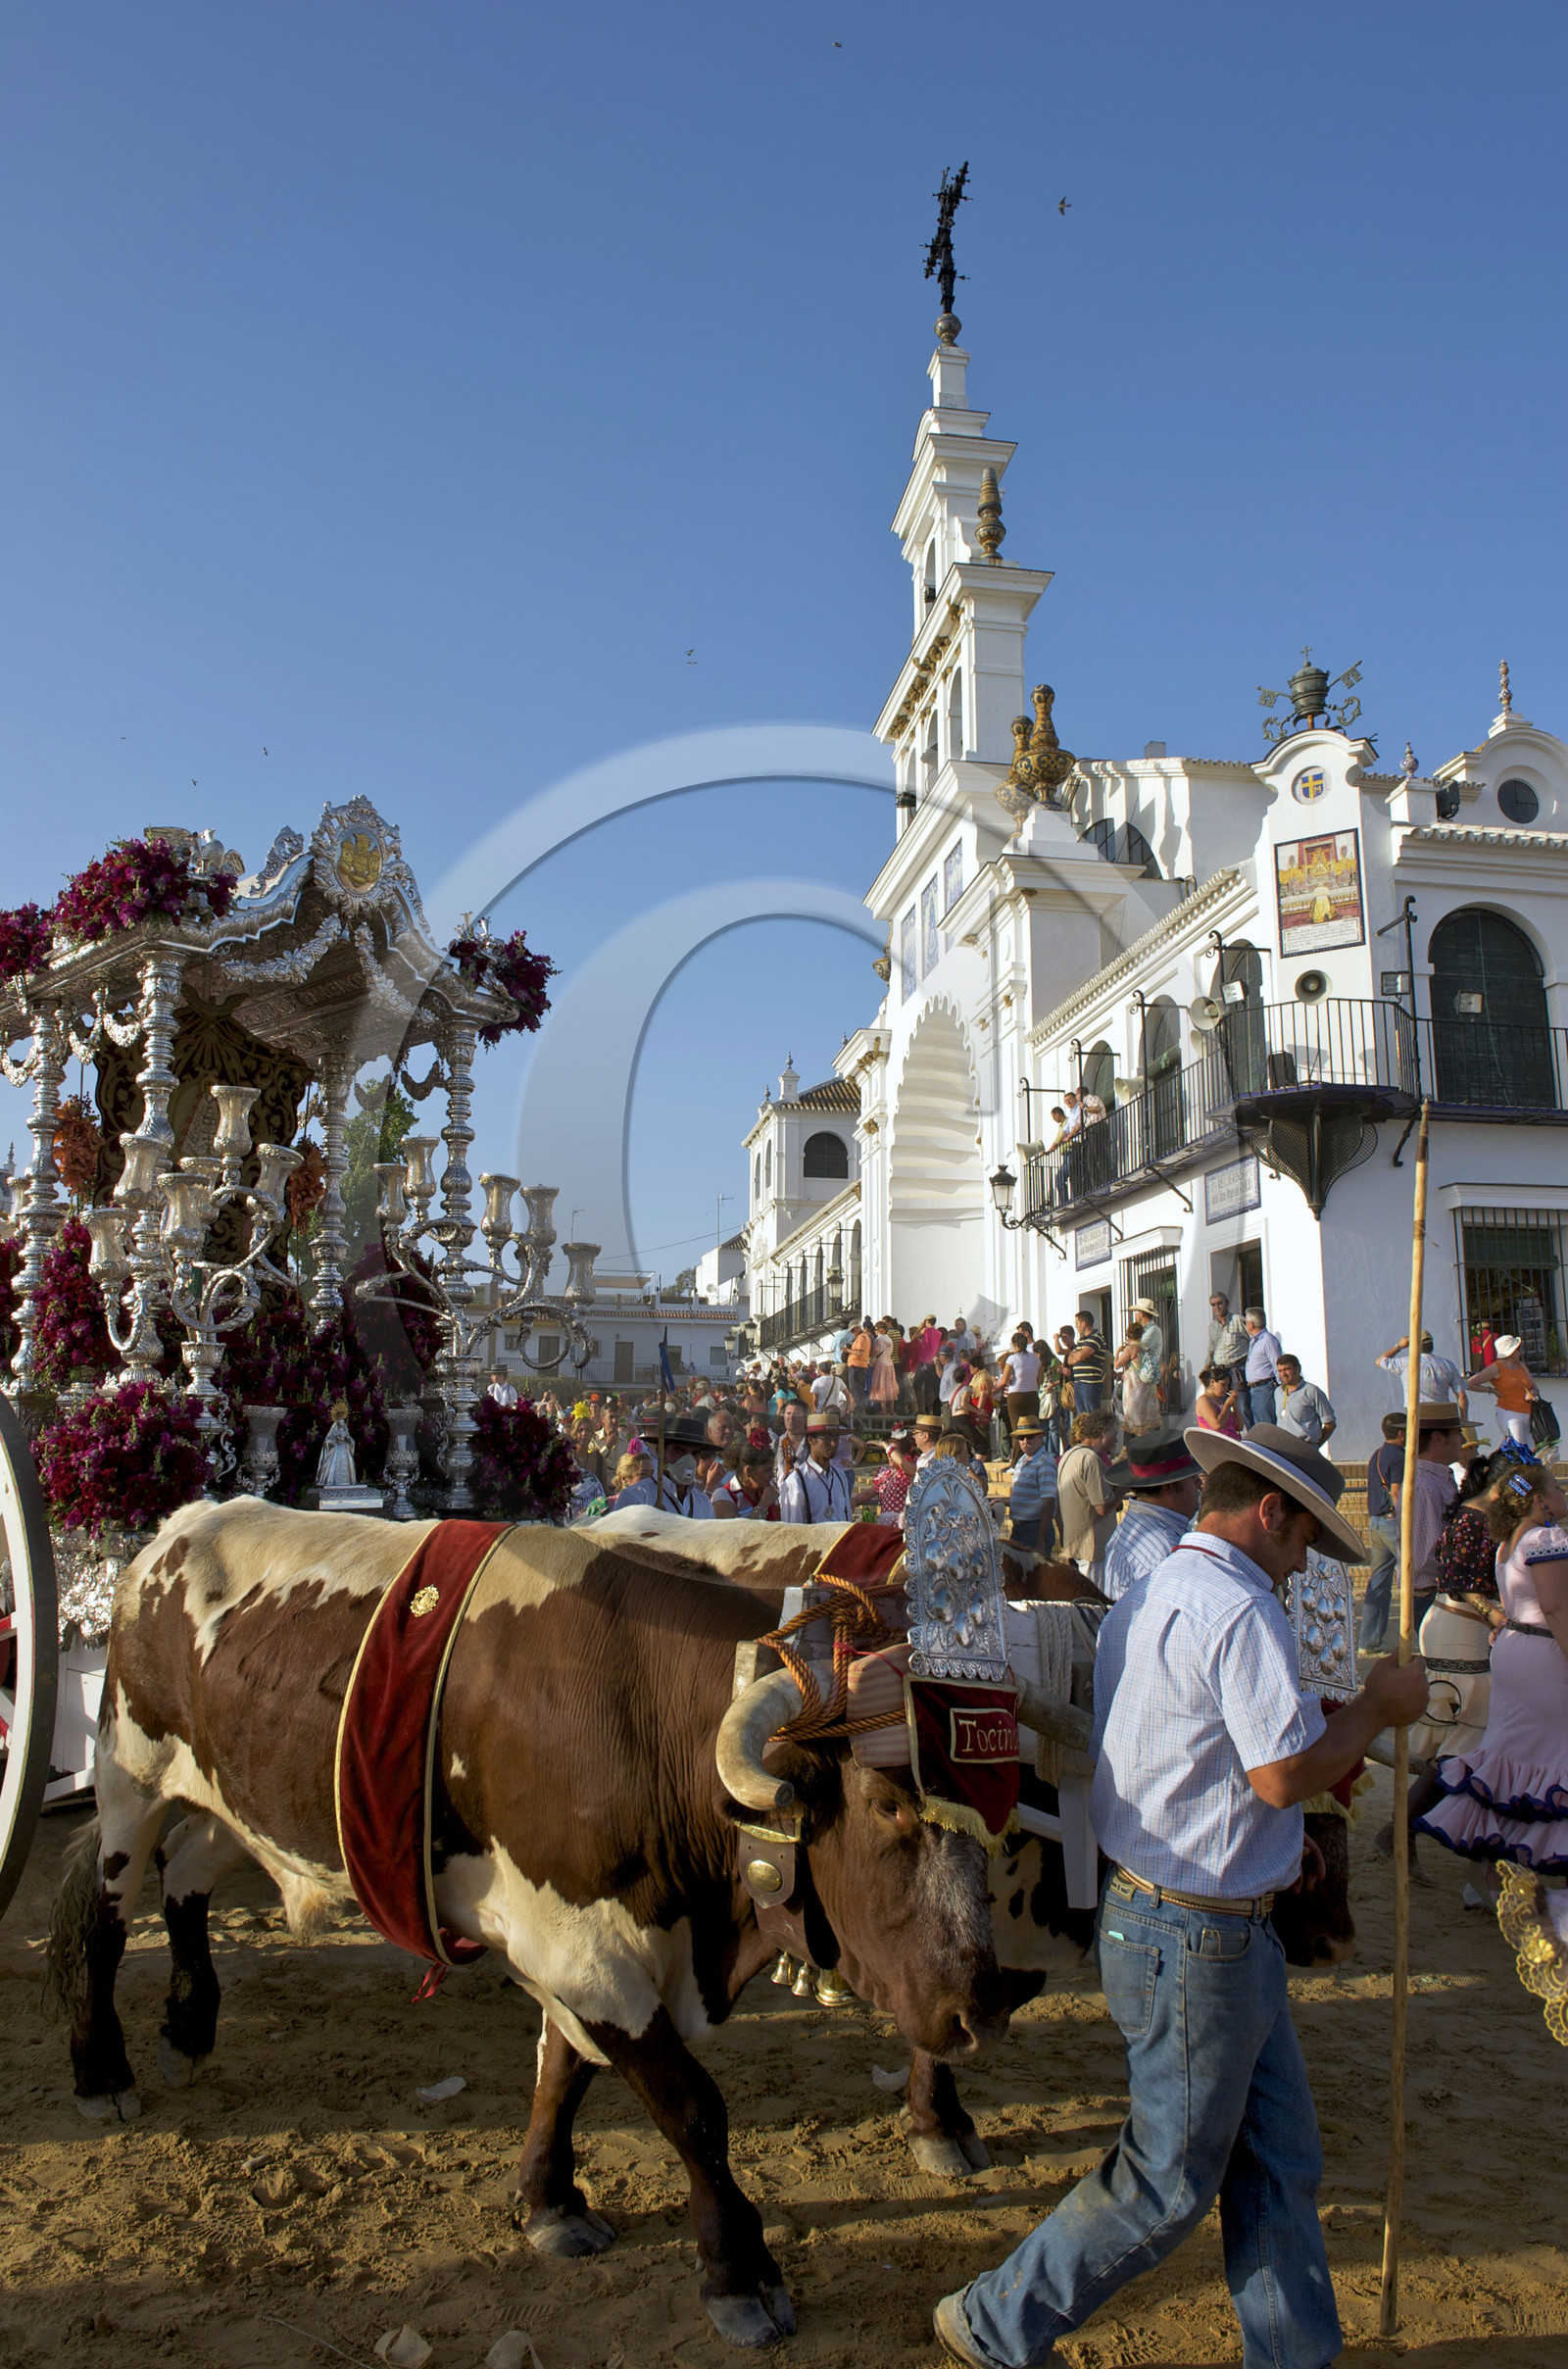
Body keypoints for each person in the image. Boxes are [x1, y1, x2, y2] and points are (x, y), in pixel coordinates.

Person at [934, 1426, 1426, 2369]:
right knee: (1167, 2178)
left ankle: (1291, 2354)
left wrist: (1280, 1854)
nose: (1302, 1562)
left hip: (1186, 1917)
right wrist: (1373, 1709)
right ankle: (998, 2319)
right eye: (1303, 1540)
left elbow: (1192, 1761)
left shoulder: (1154, 1590)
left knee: (1276, 2156)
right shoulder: (1236, 1608)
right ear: (1269, 1511)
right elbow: (1282, 1773)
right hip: (1200, 1937)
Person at [1416, 1459, 1568, 1903]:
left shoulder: (1509, 1541)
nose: (1562, 1492)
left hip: (1513, 1649)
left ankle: (1486, 1881)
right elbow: (1557, 1608)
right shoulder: (1545, 1537)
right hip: (1544, 1653)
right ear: (1540, 1500)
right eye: (1557, 1487)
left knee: (1511, 1758)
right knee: (1549, 1759)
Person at [1100, 1425, 1203, 1603]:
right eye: (1193, 1480)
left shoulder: (1134, 1531)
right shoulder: (1165, 1549)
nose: (1199, 1486)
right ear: (1171, 1486)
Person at [1396, 1402, 1465, 1637]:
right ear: (1437, 1438)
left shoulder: (1437, 1478)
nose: (1462, 1441)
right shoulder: (1423, 1484)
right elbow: (1428, 1552)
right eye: (1457, 1433)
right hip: (1432, 1593)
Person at [1359, 1412, 1406, 1652]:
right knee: (1415, 1576)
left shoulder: (1376, 1454)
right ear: (1401, 1433)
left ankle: (1369, 1640)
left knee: (1377, 1584)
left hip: (1375, 1523)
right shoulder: (1399, 1456)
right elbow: (1397, 1492)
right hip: (1392, 1521)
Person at [1056, 1410, 1118, 1589]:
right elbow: (1101, 1508)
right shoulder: (1090, 1459)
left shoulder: (1068, 1456)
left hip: (1076, 1547)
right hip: (1092, 1550)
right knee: (1093, 1607)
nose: (1116, 1438)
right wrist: (1125, 1488)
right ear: (1104, 1432)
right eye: (1114, 1433)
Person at [1463, 1331, 1540, 1446]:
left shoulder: (1522, 1366)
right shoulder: (1496, 1368)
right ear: (1511, 1352)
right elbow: (1468, 1384)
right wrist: (1491, 1390)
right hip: (1509, 1413)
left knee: (1530, 1450)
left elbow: (1534, 1387)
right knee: (1518, 1447)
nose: (1519, 1352)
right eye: (1517, 1349)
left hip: (1528, 1413)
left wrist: (1532, 1393)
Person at [1377, 1329, 1467, 1420]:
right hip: (1443, 1414)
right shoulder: (1448, 1365)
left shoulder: (1405, 1363)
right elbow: (1461, 1395)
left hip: (1418, 1414)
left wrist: (1399, 1346)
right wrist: (1464, 1419)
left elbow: (1380, 1361)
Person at [780, 1411, 854, 1522]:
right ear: (810, 1439)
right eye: (827, 1438)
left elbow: (846, 1517)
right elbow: (793, 1530)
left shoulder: (840, 1476)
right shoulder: (796, 1481)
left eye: (836, 1438)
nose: (833, 1444)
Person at [1005, 1416, 1057, 1555]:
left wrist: (1040, 1539)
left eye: (1030, 1437)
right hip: (1019, 1528)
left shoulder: (1044, 1463)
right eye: (1021, 1438)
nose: (1025, 1442)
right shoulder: (1021, 1461)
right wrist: (1005, 1501)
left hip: (1034, 1529)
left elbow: (1048, 1502)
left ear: (1040, 1437)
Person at [653, 1413, 717, 1518]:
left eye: (695, 1454)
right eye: (679, 1451)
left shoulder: (703, 1503)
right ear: (660, 1452)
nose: (688, 1461)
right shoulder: (637, 1497)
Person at [710, 1432, 782, 1519]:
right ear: (748, 1471)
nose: (772, 1475)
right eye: (767, 1470)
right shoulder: (723, 1495)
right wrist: (763, 1505)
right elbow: (738, 1532)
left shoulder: (766, 1493)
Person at [1275, 1354, 1336, 1449]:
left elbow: (1330, 1424)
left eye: (1287, 1369)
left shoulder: (1312, 1391)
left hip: (1304, 1448)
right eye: (1280, 1371)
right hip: (1283, 1449)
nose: (1283, 1374)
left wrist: (1315, 1446)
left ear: (1297, 1369)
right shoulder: (1278, 1392)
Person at [863, 1427, 918, 1526]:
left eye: (893, 1452)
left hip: (903, 1522)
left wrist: (884, 1444)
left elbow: (902, 1462)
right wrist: (853, 1501)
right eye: (888, 1451)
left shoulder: (910, 1470)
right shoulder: (886, 1473)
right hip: (886, 1523)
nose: (889, 1455)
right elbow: (869, 1492)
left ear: (904, 1454)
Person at [1113, 1319, 1158, 1436]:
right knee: (1146, 1421)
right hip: (1147, 1387)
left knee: (1134, 1422)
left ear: (1128, 1334)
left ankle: (1133, 1449)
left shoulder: (1131, 1348)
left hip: (1134, 1388)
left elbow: (1117, 1365)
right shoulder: (1146, 1347)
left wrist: (1118, 1351)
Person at [1242, 1306, 1282, 1428]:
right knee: (1259, 1425)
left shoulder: (1267, 1340)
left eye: (1246, 1322)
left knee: (1267, 1426)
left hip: (1265, 1388)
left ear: (1252, 1324)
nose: (1245, 1325)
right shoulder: (1254, 1341)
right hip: (1255, 1389)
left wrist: (1282, 1387)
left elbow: (1277, 1363)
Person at [999, 1330, 1043, 1435]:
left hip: (1016, 1394)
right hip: (1032, 1394)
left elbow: (1005, 1380)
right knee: (1033, 1427)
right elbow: (1040, 1379)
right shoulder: (1035, 1359)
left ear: (1014, 1344)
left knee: (1017, 1429)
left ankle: (1018, 1450)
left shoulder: (1012, 1359)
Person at [1065, 1310, 1110, 1413]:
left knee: (1092, 1415)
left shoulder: (1096, 1338)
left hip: (1090, 1383)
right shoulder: (1081, 1340)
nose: (1076, 1326)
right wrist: (1078, 1355)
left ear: (1084, 1323)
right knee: (1082, 1416)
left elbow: (1080, 1356)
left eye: (1077, 1323)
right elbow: (1070, 1360)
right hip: (1079, 1383)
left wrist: (1077, 1354)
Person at [1205, 1292, 1249, 1396]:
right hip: (1219, 1372)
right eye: (1213, 1305)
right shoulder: (1212, 1326)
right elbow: (1211, 1349)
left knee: (1241, 1404)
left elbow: (1253, 1340)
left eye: (1220, 1303)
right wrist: (1206, 1369)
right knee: (1221, 1406)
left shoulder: (1238, 1320)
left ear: (1227, 1303)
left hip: (1237, 1370)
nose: (1217, 1307)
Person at [1193, 1362, 1241, 1436]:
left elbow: (1239, 1426)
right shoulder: (1204, 1400)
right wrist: (1227, 1406)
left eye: (1228, 1385)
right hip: (1215, 1443)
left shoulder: (1220, 1402)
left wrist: (1235, 1405)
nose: (1226, 1388)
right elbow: (1217, 1425)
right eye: (1223, 1384)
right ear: (1212, 1382)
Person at [868, 1323, 899, 1411]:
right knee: (890, 1386)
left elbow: (876, 1352)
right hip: (889, 1363)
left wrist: (871, 1358)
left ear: (881, 1329)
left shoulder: (879, 1339)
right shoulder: (889, 1339)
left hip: (881, 1364)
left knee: (882, 1385)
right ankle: (892, 1410)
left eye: (876, 1329)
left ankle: (883, 1410)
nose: (875, 1331)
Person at [846, 1318, 873, 1408]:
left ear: (857, 1328)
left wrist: (847, 1350)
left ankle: (859, 1411)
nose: (852, 1333)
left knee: (856, 1390)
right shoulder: (865, 1337)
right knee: (858, 1390)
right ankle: (860, 1409)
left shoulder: (861, 1337)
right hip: (861, 1366)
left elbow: (859, 1352)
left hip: (856, 1366)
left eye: (853, 1330)